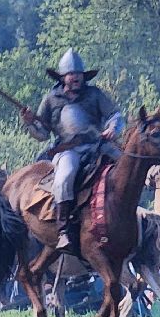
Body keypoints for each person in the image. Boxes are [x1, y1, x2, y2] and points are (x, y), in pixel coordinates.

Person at [21, 49, 122, 254]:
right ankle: (64, 227)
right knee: (65, 176)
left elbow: (115, 115)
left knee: (126, 166)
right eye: (71, 74)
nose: (75, 77)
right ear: (63, 77)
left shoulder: (94, 94)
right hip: (69, 150)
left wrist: (112, 128)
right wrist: (30, 123)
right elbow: (42, 133)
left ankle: (130, 215)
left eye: (78, 74)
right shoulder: (51, 99)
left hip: (97, 145)